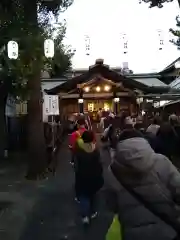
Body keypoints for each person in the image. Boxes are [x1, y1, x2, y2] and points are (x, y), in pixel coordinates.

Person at [106, 129, 180, 240]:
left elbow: (111, 206)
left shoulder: (112, 171)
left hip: (132, 232)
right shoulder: (162, 161)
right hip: (166, 229)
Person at [74, 130, 104, 225]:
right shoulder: (95, 151)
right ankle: (93, 212)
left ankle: (85, 216)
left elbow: (76, 166)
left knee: (83, 196)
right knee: (93, 194)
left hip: (82, 177)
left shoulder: (79, 151)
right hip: (94, 177)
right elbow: (99, 165)